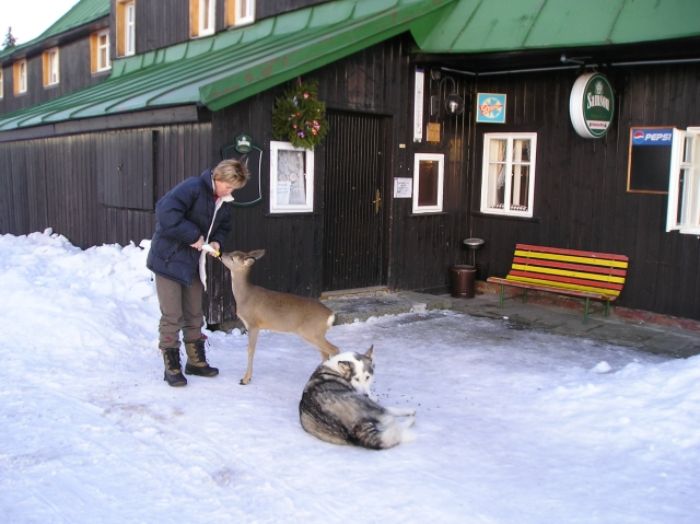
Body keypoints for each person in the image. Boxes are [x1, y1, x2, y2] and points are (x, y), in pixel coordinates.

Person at [147, 159, 250, 387]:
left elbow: (223, 227)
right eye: (228, 186)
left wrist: (215, 242)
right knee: (172, 315)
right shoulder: (193, 187)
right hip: (169, 259)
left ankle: (195, 362)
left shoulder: (223, 201)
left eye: (233, 189)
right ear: (218, 177)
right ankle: (172, 366)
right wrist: (192, 235)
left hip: (194, 263)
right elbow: (165, 212)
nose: (230, 192)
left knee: (194, 313)